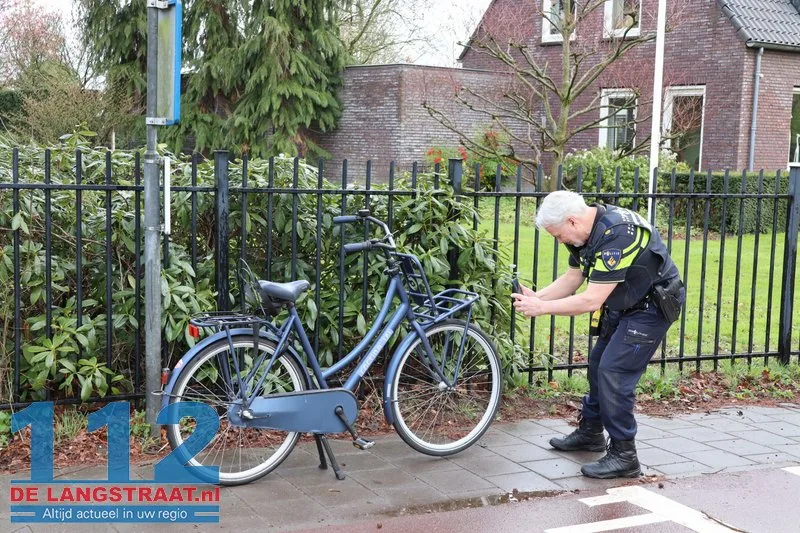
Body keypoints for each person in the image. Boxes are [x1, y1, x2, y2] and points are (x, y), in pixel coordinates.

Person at [512, 190, 685, 479]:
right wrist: (535, 297)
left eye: (558, 235)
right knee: (597, 367)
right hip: (623, 303)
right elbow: (573, 278)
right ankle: (591, 433)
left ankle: (625, 456)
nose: (560, 241)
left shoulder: (617, 235)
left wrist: (541, 308)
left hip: (651, 306)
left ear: (571, 221)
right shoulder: (585, 233)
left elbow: (590, 300)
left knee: (614, 372)